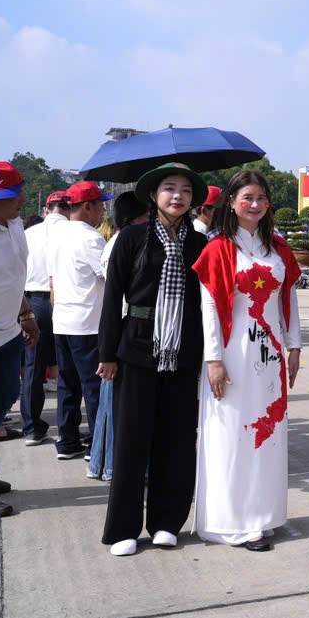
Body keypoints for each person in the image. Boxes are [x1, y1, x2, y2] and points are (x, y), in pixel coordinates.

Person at [99, 163, 209, 557]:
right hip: (137, 347)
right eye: (169, 188)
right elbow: (112, 297)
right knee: (132, 440)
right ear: (153, 195)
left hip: (184, 349)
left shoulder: (200, 243)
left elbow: (208, 302)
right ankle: (123, 528)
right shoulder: (131, 238)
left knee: (176, 439)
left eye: (185, 190)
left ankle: (166, 521)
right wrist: (107, 353)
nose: (177, 196)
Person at [193, 170, 302, 551]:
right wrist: (213, 359)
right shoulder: (218, 249)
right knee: (232, 433)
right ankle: (231, 521)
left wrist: (294, 346)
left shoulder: (278, 248)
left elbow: (288, 299)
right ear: (232, 202)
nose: (254, 204)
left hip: (269, 353)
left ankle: (264, 515)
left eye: (261, 198)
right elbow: (209, 307)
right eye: (247, 198)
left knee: (268, 432)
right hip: (232, 353)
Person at [0, 161, 40, 517]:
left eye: (17, 192)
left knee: (4, 398)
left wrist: (26, 314)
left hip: (7, 331)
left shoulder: (16, 224)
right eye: (6, 197)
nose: (17, 201)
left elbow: (14, 276)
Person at [86, 193, 149, 483]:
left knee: (110, 405)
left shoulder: (116, 240)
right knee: (115, 407)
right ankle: (109, 464)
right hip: (123, 329)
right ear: (136, 218)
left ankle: (102, 463)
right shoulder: (126, 242)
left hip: (120, 329)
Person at [49, 180, 111, 461]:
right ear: (87, 206)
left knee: (67, 384)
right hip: (87, 321)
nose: (103, 212)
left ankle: (68, 440)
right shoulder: (90, 238)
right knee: (93, 386)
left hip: (62, 318)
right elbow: (109, 275)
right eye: (100, 206)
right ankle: (97, 445)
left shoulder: (57, 234)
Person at [20, 191, 69, 445]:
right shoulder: (71, 232)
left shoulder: (29, 233)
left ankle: (31, 428)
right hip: (62, 300)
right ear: (69, 209)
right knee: (67, 367)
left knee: (33, 367)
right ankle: (68, 430)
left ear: (47, 209)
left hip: (32, 301)